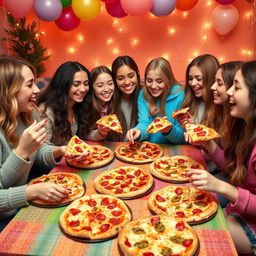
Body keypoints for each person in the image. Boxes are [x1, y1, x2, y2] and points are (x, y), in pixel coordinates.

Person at [187, 60, 256, 255]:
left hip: (250, 222)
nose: (230, 92)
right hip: (240, 213)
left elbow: (232, 179)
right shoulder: (244, 129)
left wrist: (223, 187)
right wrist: (208, 143)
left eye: (237, 87)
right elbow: (235, 171)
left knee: (201, 235)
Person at [0, 57, 70, 228]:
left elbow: (36, 153)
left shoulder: (28, 114)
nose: (38, 90)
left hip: (24, 201)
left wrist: (59, 150)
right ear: (9, 91)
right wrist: (31, 191)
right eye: (30, 84)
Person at [126, 57, 185, 144]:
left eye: (159, 81)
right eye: (149, 81)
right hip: (150, 150)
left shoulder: (181, 95)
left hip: (174, 151)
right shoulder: (143, 94)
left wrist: (169, 130)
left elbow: (181, 137)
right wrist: (137, 131)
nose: (153, 86)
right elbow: (144, 122)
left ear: (168, 80)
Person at [38, 61, 90, 146]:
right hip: (56, 158)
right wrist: (63, 150)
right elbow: (42, 149)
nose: (83, 89)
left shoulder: (79, 105)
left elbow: (86, 135)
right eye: (76, 84)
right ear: (63, 85)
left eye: (86, 84)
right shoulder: (46, 111)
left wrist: (101, 132)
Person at [177, 54, 219, 128]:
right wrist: (192, 127)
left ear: (211, 79)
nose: (193, 83)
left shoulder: (221, 107)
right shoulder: (190, 104)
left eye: (198, 79)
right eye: (190, 78)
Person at [111, 56, 141, 141]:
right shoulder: (109, 99)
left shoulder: (145, 96)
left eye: (131, 76)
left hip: (142, 149)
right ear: (114, 80)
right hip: (116, 149)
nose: (127, 82)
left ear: (138, 74)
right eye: (120, 78)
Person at [86, 66, 119, 141]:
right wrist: (100, 133)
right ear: (92, 89)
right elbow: (85, 136)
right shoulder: (86, 107)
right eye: (100, 86)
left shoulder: (117, 103)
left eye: (110, 84)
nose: (106, 89)